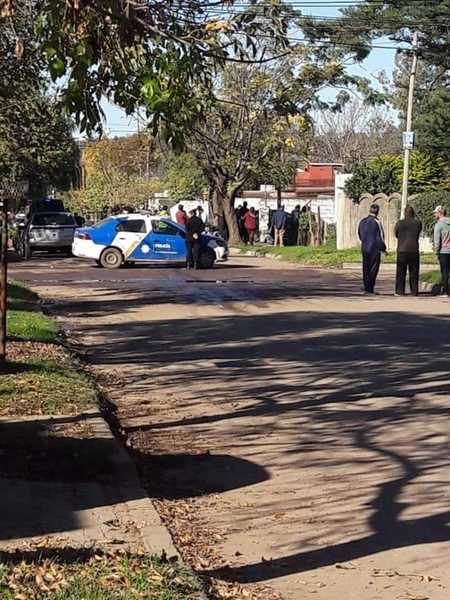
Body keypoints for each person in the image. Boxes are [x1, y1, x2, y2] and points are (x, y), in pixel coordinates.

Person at [358, 204, 386, 295]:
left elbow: (359, 234)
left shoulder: (362, 221)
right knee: (373, 269)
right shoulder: (377, 222)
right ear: (377, 211)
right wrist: (383, 248)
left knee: (365, 268)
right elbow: (380, 237)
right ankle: (370, 289)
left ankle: (366, 287)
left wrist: (364, 242)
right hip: (375, 249)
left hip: (365, 247)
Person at [394, 205, 422, 296]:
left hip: (402, 249)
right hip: (414, 250)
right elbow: (418, 232)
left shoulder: (399, 223)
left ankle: (399, 291)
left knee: (400, 272)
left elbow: (396, 234)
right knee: (414, 271)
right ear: (413, 213)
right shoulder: (418, 223)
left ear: (404, 213)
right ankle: (414, 291)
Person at [433, 205, 450, 297]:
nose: (434, 214)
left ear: (440, 213)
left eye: (435, 213)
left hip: (444, 252)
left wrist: (436, 252)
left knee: (444, 272)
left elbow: (437, 241)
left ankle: (445, 291)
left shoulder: (439, 225)